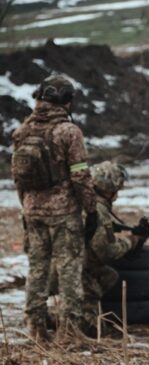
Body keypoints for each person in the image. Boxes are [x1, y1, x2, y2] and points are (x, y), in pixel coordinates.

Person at [12, 73, 97, 342]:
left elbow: (18, 178)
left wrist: (26, 206)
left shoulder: (22, 131)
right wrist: (91, 209)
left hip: (31, 210)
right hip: (63, 213)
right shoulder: (69, 132)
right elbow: (80, 176)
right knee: (69, 267)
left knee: (37, 268)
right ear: (67, 101)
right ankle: (68, 331)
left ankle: (36, 328)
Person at [81, 161, 143, 334]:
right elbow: (106, 252)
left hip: (63, 265)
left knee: (109, 275)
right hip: (76, 270)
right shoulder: (97, 210)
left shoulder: (83, 201)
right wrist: (130, 242)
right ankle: (70, 316)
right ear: (108, 188)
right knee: (94, 331)